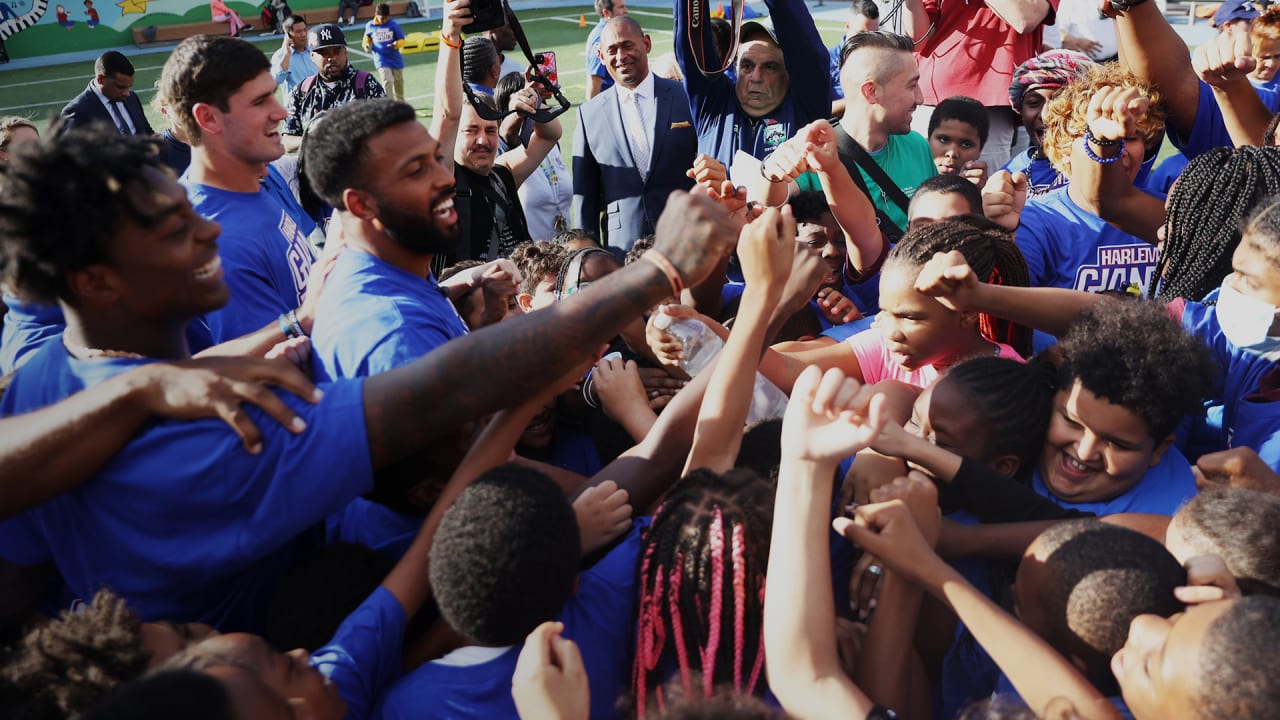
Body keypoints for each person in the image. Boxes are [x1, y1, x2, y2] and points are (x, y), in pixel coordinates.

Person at [0, 123, 737, 634]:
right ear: (96, 280)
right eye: (172, 231)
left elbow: (25, 576)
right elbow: (442, 392)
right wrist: (659, 271)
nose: (209, 228)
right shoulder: (225, 434)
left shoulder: (44, 381)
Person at [159, 35, 318, 350]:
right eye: (260, 102)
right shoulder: (219, 241)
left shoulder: (245, 188)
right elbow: (269, 377)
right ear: (208, 118)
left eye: (273, 95)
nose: (282, 113)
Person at [432, 0, 560, 266]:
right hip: (468, 304)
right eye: (471, 130)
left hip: (516, 300)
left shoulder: (502, 175)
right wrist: (451, 34)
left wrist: (534, 99)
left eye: (491, 130)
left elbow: (550, 134)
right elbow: (447, 114)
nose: (483, 140)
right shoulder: (444, 178)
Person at [572, 16, 697, 252]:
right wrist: (588, 257)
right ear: (600, 56)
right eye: (612, 50)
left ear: (646, 44)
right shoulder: (588, 115)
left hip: (685, 238)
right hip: (623, 248)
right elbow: (585, 199)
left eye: (627, 45)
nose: (621, 57)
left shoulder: (685, 97)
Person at [901, 0, 1057, 169]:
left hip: (991, 98)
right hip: (931, 93)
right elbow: (918, 40)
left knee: (982, 190)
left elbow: (1026, 17)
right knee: (919, 182)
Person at [673, 0, 829, 164]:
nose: (756, 77)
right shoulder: (714, 107)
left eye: (770, 67)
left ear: (789, 73)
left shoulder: (805, 109)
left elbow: (806, 47)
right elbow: (691, 43)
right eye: (747, 66)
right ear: (735, 69)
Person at [1002, 49, 1095, 199]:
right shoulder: (1009, 174)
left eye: (1060, 101)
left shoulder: (1109, 169)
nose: (1046, 115)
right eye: (1033, 103)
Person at [282, 22, 385, 153]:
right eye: (324, 53)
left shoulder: (364, 83)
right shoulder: (303, 90)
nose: (332, 58)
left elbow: (388, 127)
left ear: (345, 52)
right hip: (316, 172)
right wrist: (314, 138)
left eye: (337, 51)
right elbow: (287, 141)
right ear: (312, 56)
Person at [58, 51, 154, 136]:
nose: (127, 93)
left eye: (129, 87)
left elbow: (147, 132)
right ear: (101, 79)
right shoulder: (76, 111)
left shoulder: (132, 98)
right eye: (120, 87)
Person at [827, 0, 880, 118]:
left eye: (874, 34)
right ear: (847, 26)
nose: (867, 40)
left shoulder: (881, 61)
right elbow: (816, 110)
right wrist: (859, 99)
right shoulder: (827, 61)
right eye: (861, 33)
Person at [926, 96, 989, 185]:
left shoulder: (985, 194)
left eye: (966, 145)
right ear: (928, 140)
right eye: (944, 139)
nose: (952, 153)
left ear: (980, 150)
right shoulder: (907, 180)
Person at [362, 3, 405, 102]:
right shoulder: (370, 25)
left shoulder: (393, 24)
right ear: (376, 15)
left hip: (394, 57)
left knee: (398, 81)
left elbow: (402, 39)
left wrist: (396, 44)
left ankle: (400, 101)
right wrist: (366, 45)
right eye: (382, 18)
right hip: (381, 58)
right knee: (387, 80)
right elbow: (366, 38)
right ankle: (388, 102)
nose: (384, 20)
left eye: (386, 18)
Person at [585, 0, 627, 100]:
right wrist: (593, 111)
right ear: (606, 13)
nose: (626, 10)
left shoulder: (608, 32)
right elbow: (595, 78)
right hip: (608, 101)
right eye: (621, 7)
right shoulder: (602, 38)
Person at [269, 15, 317, 97]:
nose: (304, 34)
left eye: (305, 30)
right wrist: (287, 54)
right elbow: (275, 81)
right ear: (288, 35)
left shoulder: (315, 50)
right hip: (297, 106)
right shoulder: (280, 56)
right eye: (298, 31)